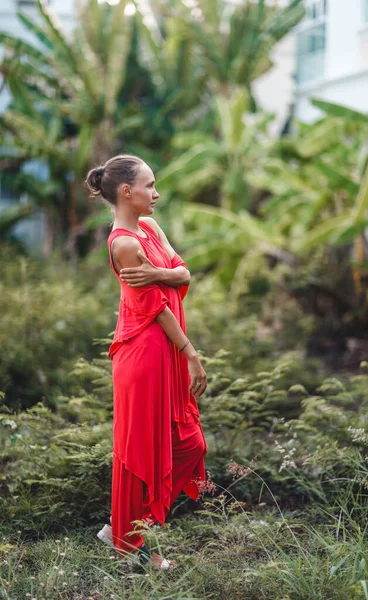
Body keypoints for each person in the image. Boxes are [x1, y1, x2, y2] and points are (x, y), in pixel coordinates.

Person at [85, 154, 207, 570]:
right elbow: (157, 308)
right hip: (145, 355)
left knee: (190, 443)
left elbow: (184, 273)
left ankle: (121, 529)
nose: (156, 194)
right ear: (126, 192)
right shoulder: (124, 243)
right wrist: (191, 353)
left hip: (163, 351)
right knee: (146, 454)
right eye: (149, 186)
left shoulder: (150, 228)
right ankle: (141, 547)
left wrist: (158, 273)